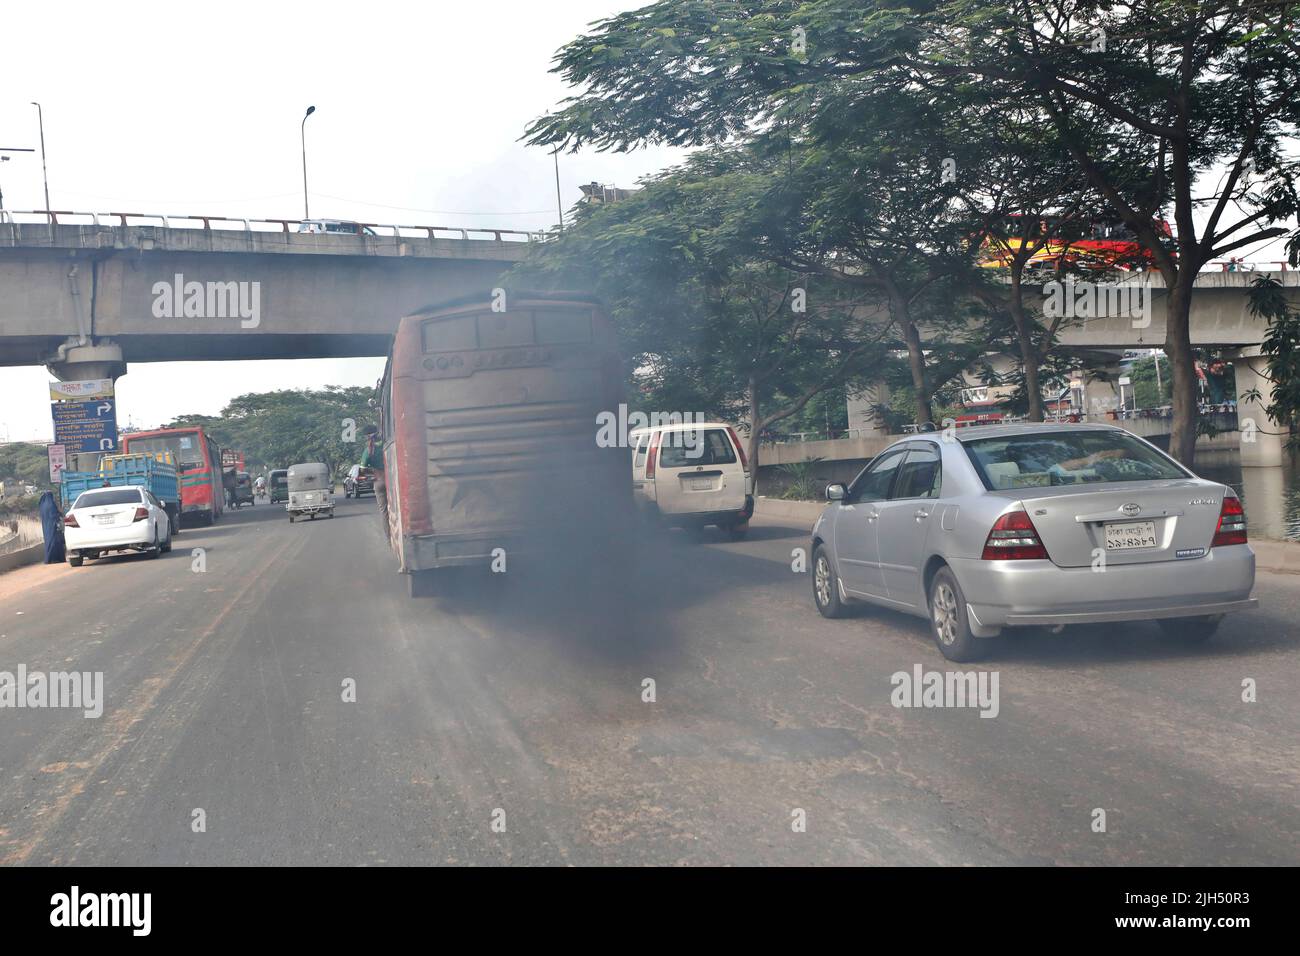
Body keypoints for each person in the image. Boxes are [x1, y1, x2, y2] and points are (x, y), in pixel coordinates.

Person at [361, 424, 387, 540]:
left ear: (367, 437)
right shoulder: (386, 444)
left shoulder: (368, 451)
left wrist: (373, 475)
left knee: (384, 512)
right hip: (391, 479)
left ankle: (389, 538)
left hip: (379, 482)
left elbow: (363, 471)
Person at [38, 491, 66, 564]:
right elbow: (54, 515)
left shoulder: (42, 506)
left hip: (46, 527)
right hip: (53, 526)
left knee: (49, 541)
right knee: (55, 541)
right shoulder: (51, 505)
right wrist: (60, 516)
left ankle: (50, 558)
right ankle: (56, 558)